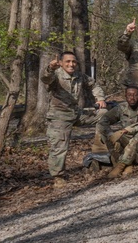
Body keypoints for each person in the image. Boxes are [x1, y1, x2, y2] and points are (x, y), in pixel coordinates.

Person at [42, 51, 107, 187]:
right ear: (60, 63)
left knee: (104, 114)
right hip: (59, 117)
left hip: (76, 113)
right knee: (59, 146)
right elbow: (46, 78)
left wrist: (99, 98)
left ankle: (102, 149)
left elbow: (93, 84)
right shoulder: (56, 75)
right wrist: (50, 68)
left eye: (74, 62)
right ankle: (58, 177)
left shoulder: (79, 76)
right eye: (67, 62)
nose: (71, 64)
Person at [99, 86, 138, 179]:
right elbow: (103, 121)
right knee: (106, 133)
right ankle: (129, 164)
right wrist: (111, 134)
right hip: (128, 142)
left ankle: (121, 165)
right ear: (125, 96)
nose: (132, 98)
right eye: (129, 95)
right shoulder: (121, 108)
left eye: (135, 95)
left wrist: (126, 130)